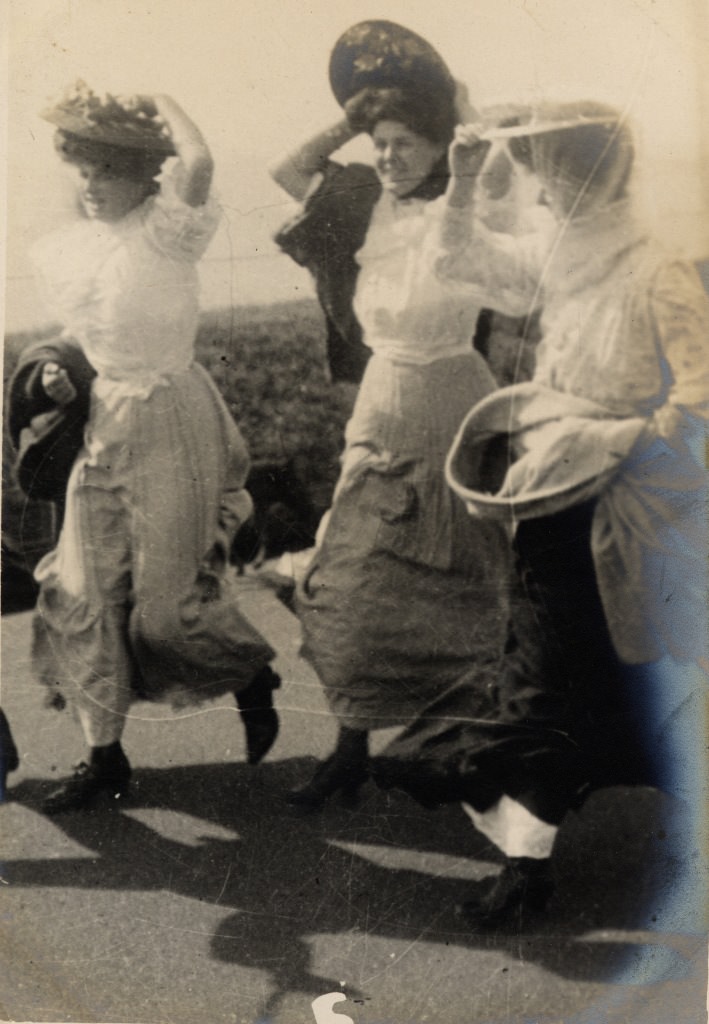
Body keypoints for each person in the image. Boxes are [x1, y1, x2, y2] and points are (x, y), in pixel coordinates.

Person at [372, 101, 709, 923]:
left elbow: (699, 396)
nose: (547, 187)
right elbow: (460, 260)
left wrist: (625, 444)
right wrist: (462, 178)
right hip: (550, 496)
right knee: (547, 679)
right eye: (537, 169)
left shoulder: (653, 266)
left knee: (582, 682)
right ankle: (527, 869)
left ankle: (532, 869)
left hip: (626, 506)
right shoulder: (559, 257)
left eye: (563, 168)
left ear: (607, 174)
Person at [271, 24, 519, 810]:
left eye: (403, 142)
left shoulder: (472, 207)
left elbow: (491, 168)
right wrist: (359, 113)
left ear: (438, 145)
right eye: (379, 143)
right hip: (382, 399)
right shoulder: (359, 204)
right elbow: (288, 169)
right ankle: (349, 745)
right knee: (352, 571)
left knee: (461, 574)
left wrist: (459, 120)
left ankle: (475, 754)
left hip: (456, 397)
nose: (387, 157)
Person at [16, 81, 282, 814]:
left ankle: (247, 673)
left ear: (143, 175)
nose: (93, 186)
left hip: (172, 417)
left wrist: (161, 97)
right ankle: (104, 755)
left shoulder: (168, 231)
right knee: (81, 591)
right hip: (104, 421)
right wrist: (56, 371)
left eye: (110, 170)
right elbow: (86, 338)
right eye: (85, 169)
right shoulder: (72, 248)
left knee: (164, 610)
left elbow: (197, 162)